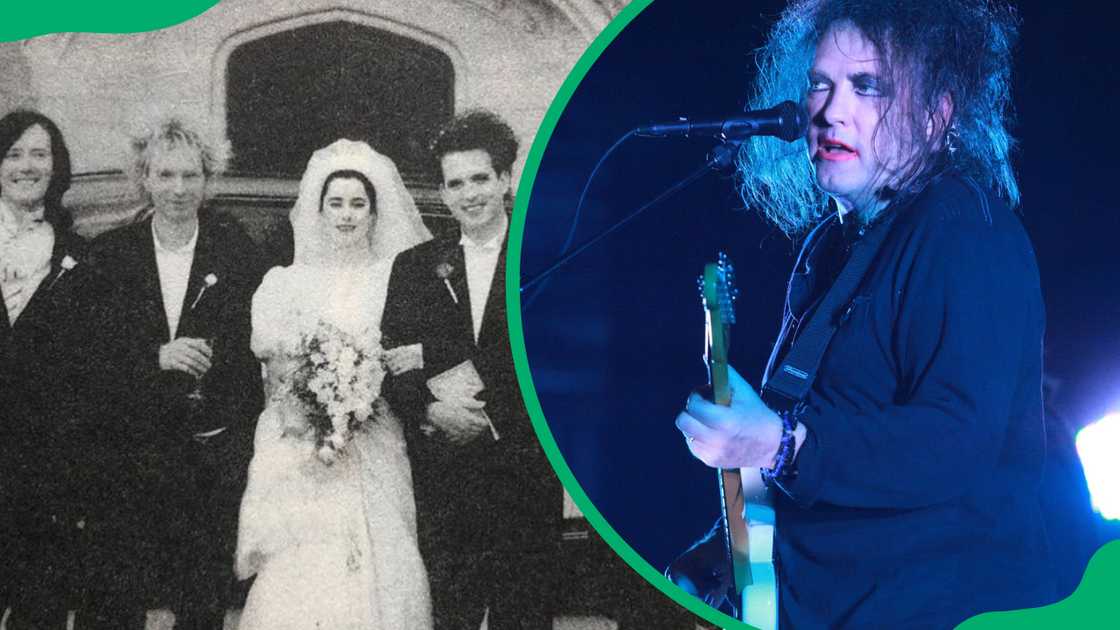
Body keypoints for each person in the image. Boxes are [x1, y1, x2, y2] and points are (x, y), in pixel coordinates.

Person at [668, 0, 1053, 627]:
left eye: (867, 87)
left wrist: (782, 443)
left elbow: (957, 440)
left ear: (936, 116)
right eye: (820, 83)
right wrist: (723, 548)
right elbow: (819, 440)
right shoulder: (833, 246)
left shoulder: (959, 225)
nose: (827, 110)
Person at [234, 139, 434, 629]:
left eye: (358, 204)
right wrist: (315, 412)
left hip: (375, 439)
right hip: (305, 445)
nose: (347, 215)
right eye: (336, 203)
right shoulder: (285, 283)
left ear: (373, 212)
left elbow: (407, 353)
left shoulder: (395, 278)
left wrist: (359, 399)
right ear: (319, 211)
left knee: (382, 553)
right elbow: (276, 375)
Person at [382, 110, 560, 629]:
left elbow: (555, 359)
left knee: (523, 615)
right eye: (454, 183)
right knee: (449, 614)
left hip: (525, 468)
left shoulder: (545, 259)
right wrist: (435, 410)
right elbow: (393, 362)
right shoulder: (415, 267)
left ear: (506, 179)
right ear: (441, 193)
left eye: (480, 178)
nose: (469, 194)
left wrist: (493, 419)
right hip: (444, 474)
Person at [84, 118, 265, 629]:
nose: (179, 189)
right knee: (115, 600)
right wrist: (154, 357)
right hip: (128, 457)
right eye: (165, 175)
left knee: (201, 600)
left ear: (209, 179)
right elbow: (87, 358)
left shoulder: (236, 252)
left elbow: (253, 356)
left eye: (191, 175)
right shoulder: (111, 255)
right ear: (144, 178)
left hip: (205, 459)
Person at [0, 109, 100, 629]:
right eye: (13, 153)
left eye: (39, 154)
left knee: (39, 613)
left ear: (55, 166)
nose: (26, 165)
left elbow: (87, 373)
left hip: (46, 477)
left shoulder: (77, 256)